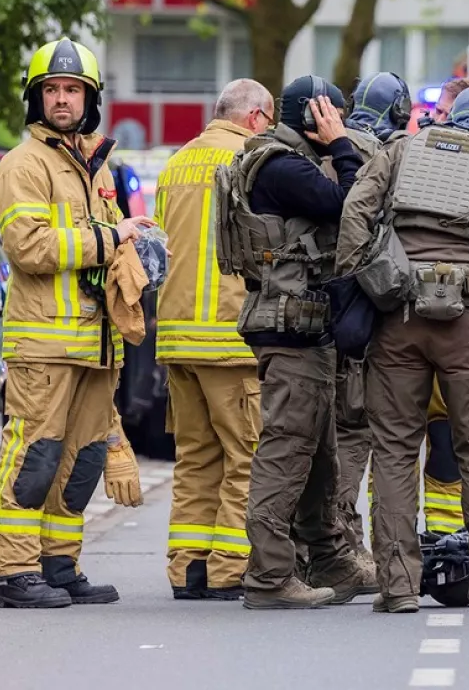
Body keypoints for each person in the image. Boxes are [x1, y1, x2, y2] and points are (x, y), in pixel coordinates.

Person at [337, 85, 469, 613]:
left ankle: (399, 587)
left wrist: (377, 282)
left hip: (397, 319)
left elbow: (355, 217)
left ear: (448, 117)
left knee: (394, 451)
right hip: (468, 323)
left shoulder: (400, 150)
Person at [0, 37, 155, 608]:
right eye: (52, 90)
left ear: (90, 99)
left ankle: (58, 565)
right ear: (36, 100)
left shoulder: (92, 167)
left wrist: (136, 247)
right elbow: (28, 246)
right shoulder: (23, 165)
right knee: (32, 457)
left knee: (80, 462)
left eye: (73, 90)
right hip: (42, 344)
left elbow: (108, 249)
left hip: (94, 344)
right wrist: (112, 238)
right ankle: (12, 575)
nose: (62, 99)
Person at [217, 74, 376, 609]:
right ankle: (268, 577)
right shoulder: (282, 166)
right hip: (289, 327)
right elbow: (350, 206)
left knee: (320, 453)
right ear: (316, 115)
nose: (341, 124)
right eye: (334, 115)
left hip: (304, 326)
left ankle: (330, 558)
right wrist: (342, 147)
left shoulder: (279, 160)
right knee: (287, 450)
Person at [293, 71, 414, 581]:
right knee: (354, 434)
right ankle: (345, 545)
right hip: (358, 316)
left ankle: (306, 550)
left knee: (310, 438)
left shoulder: (313, 148)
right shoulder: (378, 157)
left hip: (307, 313)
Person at [156, 79, 273, 601]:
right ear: (255, 118)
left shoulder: (176, 163)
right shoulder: (252, 160)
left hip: (178, 338)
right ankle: (228, 568)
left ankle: (187, 571)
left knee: (196, 456)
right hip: (231, 339)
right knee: (247, 454)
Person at [416, 75, 469, 539]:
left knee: (446, 442)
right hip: (448, 323)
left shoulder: (417, 157)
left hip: (445, 319)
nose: (434, 122)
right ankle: (445, 545)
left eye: (443, 114)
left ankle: (442, 541)